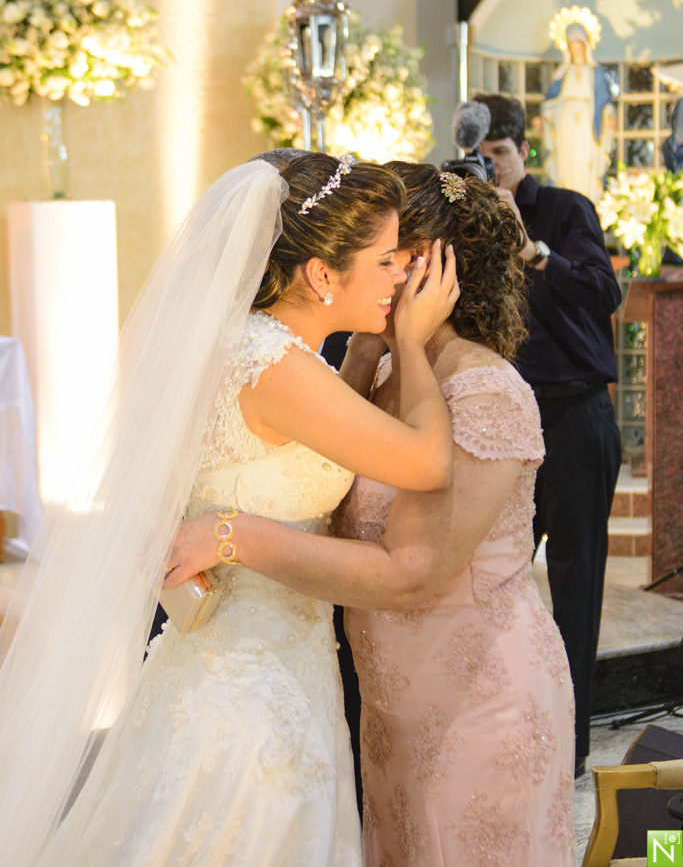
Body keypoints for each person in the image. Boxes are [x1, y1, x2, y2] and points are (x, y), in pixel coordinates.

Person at [0, 153, 459, 866]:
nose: (401, 277)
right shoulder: (273, 367)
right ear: (322, 274)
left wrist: (366, 352)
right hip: (252, 699)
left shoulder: (259, 347)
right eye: (385, 261)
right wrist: (411, 343)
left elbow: (309, 441)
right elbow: (427, 462)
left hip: (240, 663)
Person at [168, 164, 577, 866]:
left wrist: (230, 535)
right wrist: (370, 349)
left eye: (395, 257)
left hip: (477, 698)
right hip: (390, 704)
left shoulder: (483, 388)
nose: (384, 272)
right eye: (378, 257)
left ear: (436, 270)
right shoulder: (390, 373)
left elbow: (413, 570)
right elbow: (322, 478)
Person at [476, 92, 622, 778]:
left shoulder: (565, 209)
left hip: (572, 415)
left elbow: (603, 291)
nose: (493, 169)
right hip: (505, 422)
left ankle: (570, 747)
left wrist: (533, 250)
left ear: (523, 150)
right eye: (481, 159)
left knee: (574, 584)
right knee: (493, 578)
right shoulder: (471, 222)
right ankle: (506, 730)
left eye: (500, 155)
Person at [540, 19, 616, 204]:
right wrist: (545, 114)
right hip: (566, 123)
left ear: (585, 47)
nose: (576, 51)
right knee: (567, 162)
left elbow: (604, 101)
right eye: (572, 48)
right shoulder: (562, 73)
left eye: (579, 47)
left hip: (588, 123)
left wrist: (609, 114)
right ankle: (568, 202)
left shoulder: (595, 73)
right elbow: (552, 101)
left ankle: (588, 200)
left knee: (586, 161)